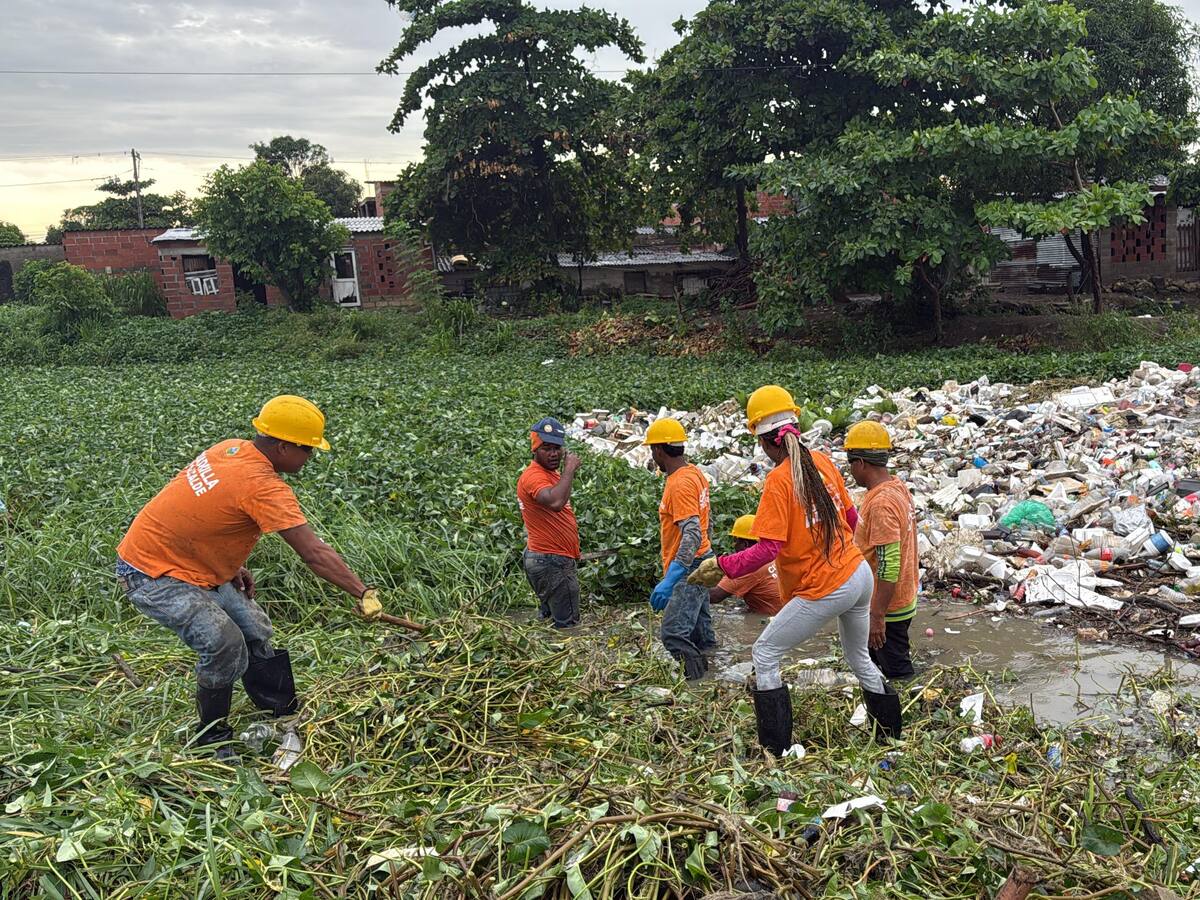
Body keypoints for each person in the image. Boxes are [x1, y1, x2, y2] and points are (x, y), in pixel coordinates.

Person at [115, 395, 384, 760]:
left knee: (254, 627)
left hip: (194, 563)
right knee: (223, 642)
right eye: (307, 450)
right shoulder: (262, 486)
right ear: (284, 446)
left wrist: (227, 562)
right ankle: (211, 737)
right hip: (151, 570)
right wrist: (362, 591)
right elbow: (313, 553)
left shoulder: (231, 449)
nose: (310, 458)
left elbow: (202, 510)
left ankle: (278, 708)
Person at [690, 385, 902, 754]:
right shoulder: (821, 460)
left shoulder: (778, 480)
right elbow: (852, 520)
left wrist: (721, 565)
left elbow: (768, 550)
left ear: (764, 441)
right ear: (795, 428)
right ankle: (891, 738)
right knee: (858, 657)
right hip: (858, 576)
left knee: (765, 653)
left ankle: (776, 749)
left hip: (828, 586)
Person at [844, 421, 918, 679]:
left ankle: (910, 712)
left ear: (861, 463)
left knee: (898, 672)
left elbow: (889, 563)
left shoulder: (882, 503)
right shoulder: (896, 487)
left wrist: (877, 616)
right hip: (896, 599)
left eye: (851, 463)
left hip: (889, 606)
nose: (851, 471)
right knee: (876, 665)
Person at [645, 417, 715, 681]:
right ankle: (714, 685)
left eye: (653, 450)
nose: (654, 455)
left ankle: (696, 687)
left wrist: (672, 578)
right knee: (701, 635)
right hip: (704, 561)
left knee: (673, 634)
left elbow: (692, 533)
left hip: (691, 567)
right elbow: (706, 521)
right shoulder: (693, 472)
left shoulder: (679, 484)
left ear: (659, 450)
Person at [517, 417, 582, 628]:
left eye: (557, 448)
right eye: (547, 448)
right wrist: (569, 469)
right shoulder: (533, 476)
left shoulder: (549, 474)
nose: (553, 454)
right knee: (568, 626)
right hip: (551, 561)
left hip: (547, 558)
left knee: (549, 620)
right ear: (535, 449)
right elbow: (555, 502)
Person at [708, 515, 785, 615]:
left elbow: (715, 596)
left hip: (771, 618)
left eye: (735, 541)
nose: (733, 545)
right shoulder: (773, 555)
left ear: (745, 544)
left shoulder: (748, 567)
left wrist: (687, 592)